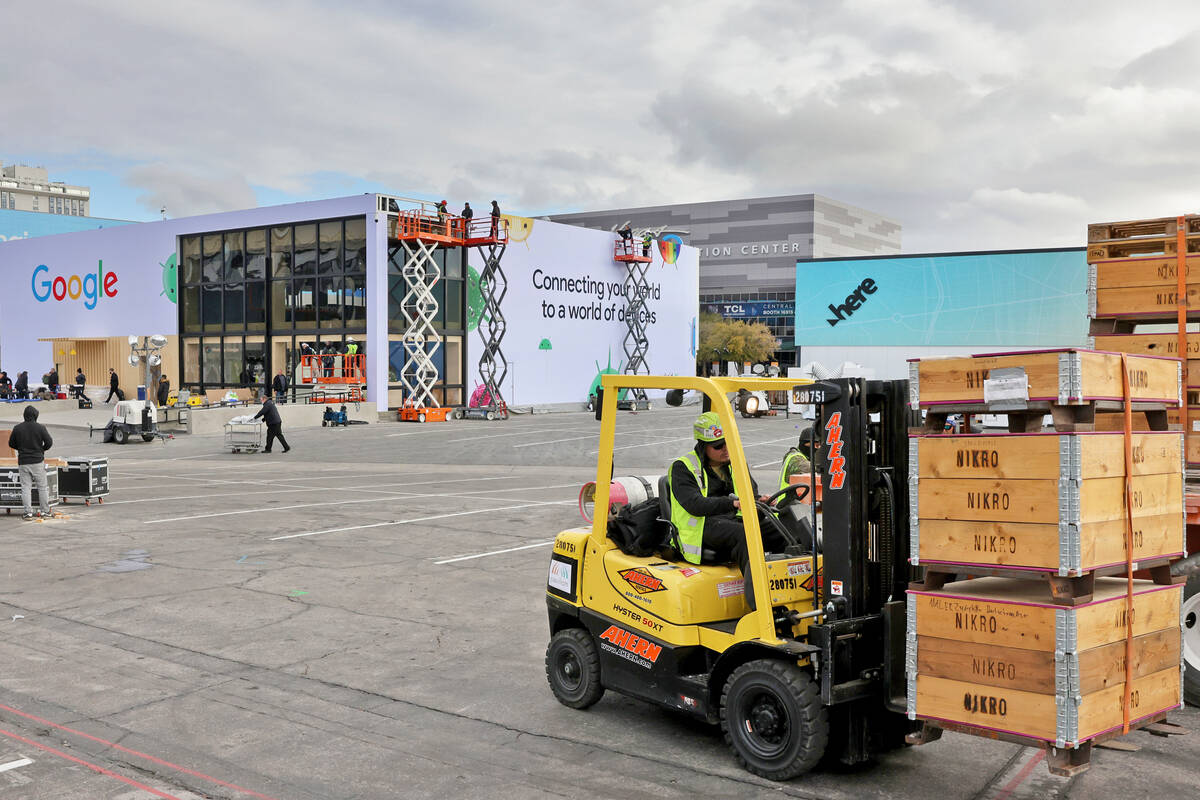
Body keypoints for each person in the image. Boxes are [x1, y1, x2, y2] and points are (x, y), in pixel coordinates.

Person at [666, 412, 784, 610]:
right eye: (719, 445)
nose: (726, 449)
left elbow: (749, 493)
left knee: (780, 525)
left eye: (728, 442)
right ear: (703, 446)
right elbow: (695, 504)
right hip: (701, 527)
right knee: (744, 534)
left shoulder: (736, 464)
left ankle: (792, 588)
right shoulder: (683, 468)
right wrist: (733, 504)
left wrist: (759, 500)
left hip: (730, 519)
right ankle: (762, 607)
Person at [7, 405, 54, 520]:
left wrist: (21, 449)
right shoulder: (40, 428)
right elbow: (49, 442)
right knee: (42, 487)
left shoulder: (17, 428)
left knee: (26, 488)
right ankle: (45, 511)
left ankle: (28, 513)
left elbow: (11, 444)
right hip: (37, 461)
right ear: (35, 415)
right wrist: (41, 450)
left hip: (23, 461)